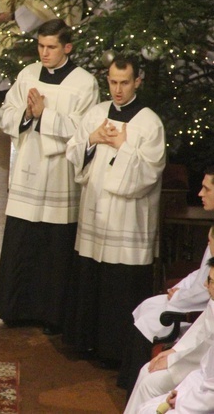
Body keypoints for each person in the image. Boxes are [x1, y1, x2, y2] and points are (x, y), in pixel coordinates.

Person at [0, 18, 99, 335]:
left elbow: (84, 128)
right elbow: (6, 114)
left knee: (54, 245)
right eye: (40, 46)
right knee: (22, 238)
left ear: (67, 47)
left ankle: (52, 315)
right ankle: (16, 308)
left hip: (59, 174)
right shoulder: (27, 75)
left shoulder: (84, 83)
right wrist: (26, 114)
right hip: (28, 168)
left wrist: (45, 115)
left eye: (51, 47)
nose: (44, 53)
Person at [62, 55, 166, 367]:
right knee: (92, 277)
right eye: (112, 82)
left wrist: (124, 147)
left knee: (119, 285)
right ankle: (86, 343)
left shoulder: (150, 122)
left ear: (137, 81)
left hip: (127, 221)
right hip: (95, 213)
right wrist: (92, 140)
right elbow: (73, 153)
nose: (117, 89)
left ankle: (114, 350)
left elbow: (149, 173)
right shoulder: (96, 113)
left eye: (124, 82)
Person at [119, 167, 214, 391]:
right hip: (190, 299)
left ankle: (134, 381)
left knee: (150, 320)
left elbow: (206, 288)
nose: (200, 193)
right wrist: (179, 288)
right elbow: (201, 274)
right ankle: (129, 382)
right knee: (145, 308)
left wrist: (180, 296)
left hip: (196, 309)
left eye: (206, 188)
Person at [125, 257, 214, 413]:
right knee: (147, 371)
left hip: (199, 388)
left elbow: (209, 391)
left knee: (149, 389)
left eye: (211, 281)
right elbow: (200, 332)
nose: (206, 285)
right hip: (197, 375)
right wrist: (173, 352)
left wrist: (181, 398)